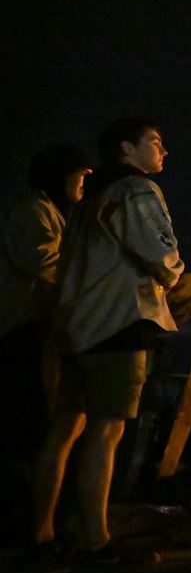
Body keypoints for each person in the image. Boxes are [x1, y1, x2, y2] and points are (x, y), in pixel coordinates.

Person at [34, 119, 183, 561]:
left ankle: (41, 530)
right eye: (155, 142)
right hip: (119, 322)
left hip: (77, 327)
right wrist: (173, 275)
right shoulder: (136, 190)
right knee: (108, 431)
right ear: (126, 148)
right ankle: (95, 540)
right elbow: (161, 252)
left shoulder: (86, 202)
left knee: (65, 429)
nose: (163, 151)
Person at [1, 146, 91, 477]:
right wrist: (92, 278)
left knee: (43, 412)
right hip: (26, 325)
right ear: (59, 175)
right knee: (31, 412)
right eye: (80, 173)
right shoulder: (33, 209)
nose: (85, 180)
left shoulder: (52, 211)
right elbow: (43, 260)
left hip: (40, 324)